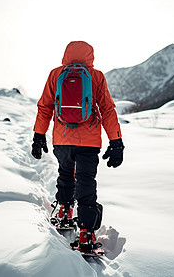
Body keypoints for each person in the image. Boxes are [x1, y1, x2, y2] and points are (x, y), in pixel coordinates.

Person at [31, 41, 124, 251]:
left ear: (66, 54)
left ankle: (64, 211)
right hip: (89, 141)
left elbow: (44, 107)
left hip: (62, 140)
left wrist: (38, 136)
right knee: (86, 182)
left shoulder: (56, 74)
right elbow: (108, 109)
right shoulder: (95, 76)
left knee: (65, 174)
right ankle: (86, 234)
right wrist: (116, 141)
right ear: (90, 56)